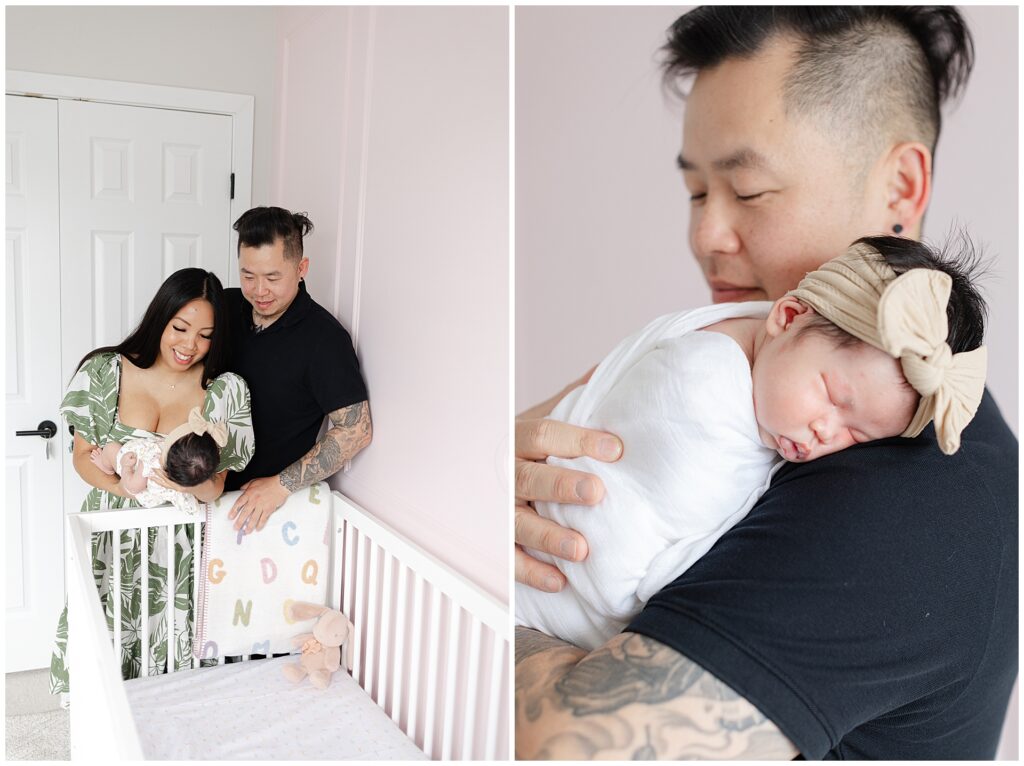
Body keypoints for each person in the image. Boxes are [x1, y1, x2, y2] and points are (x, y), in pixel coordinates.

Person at [515, 7, 1017, 760]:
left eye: (748, 192)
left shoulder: (918, 489)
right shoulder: (715, 368)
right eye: (695, 193)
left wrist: (478, 589)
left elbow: (571, 745)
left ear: (900, 189)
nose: (706, 236)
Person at [516, 236, 987, 651]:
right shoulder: (705, 390)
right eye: (832, 397)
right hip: (548, 596)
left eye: (858, 436)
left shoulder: (757, 344)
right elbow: (621, 557)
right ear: (788, 316)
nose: (828, 432)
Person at [52, 268, 254, 695]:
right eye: (180, 328)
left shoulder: (224, 392)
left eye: (205, 335)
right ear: (159, 318)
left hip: (181, 542)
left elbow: (215, 487)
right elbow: (82, 458)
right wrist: (124, 487)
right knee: (107, 636)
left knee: (174, 659)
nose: (189, 345)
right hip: (111, 534)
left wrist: (185, 486)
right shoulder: (106, 370)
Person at [223, 207, 372, 535]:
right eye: (248, 275)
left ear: (301, 268)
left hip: (258, 512)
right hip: (198, 491)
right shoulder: (226, 308)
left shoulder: (324, 339)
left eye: (273, 277)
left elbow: (356, 430)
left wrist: (279, 487)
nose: (259, 290)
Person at [90, 405, 230, 515]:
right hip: (152, 486)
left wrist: (126, 467)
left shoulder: (152, 463)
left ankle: (106, 465)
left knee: (111, 448)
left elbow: (134, 487)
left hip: (134, 478)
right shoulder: (184, 477)